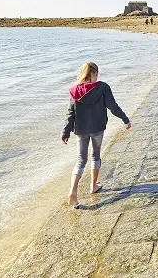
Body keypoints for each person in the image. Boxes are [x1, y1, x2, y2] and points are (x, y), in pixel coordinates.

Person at [62, 62, 131, 208]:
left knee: (81, 160)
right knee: (95, 155)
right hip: (98, 128)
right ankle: (93, 185)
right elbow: (113, 107)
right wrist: (125, 119)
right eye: (96, 73)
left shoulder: (75, 91)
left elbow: (70, 114)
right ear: (94, 74)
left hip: (81, 130)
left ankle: (73, 191)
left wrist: (66, 132)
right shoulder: (103, 87)